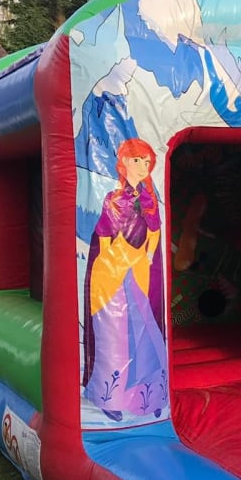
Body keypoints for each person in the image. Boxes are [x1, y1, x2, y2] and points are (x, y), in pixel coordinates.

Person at [83, 138, 167, 421]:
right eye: (137, 160)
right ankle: (110, 397)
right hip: (114, 271)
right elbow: (104, 235)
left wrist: (149, 256)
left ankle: (147, 397)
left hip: (138, 269)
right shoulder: (113, 199)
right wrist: (110, 265)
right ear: (124, 163)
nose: (143, 167)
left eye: (147, 162)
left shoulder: (149, 200)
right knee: (114, 333)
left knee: (145, 331)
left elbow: (154, 231)